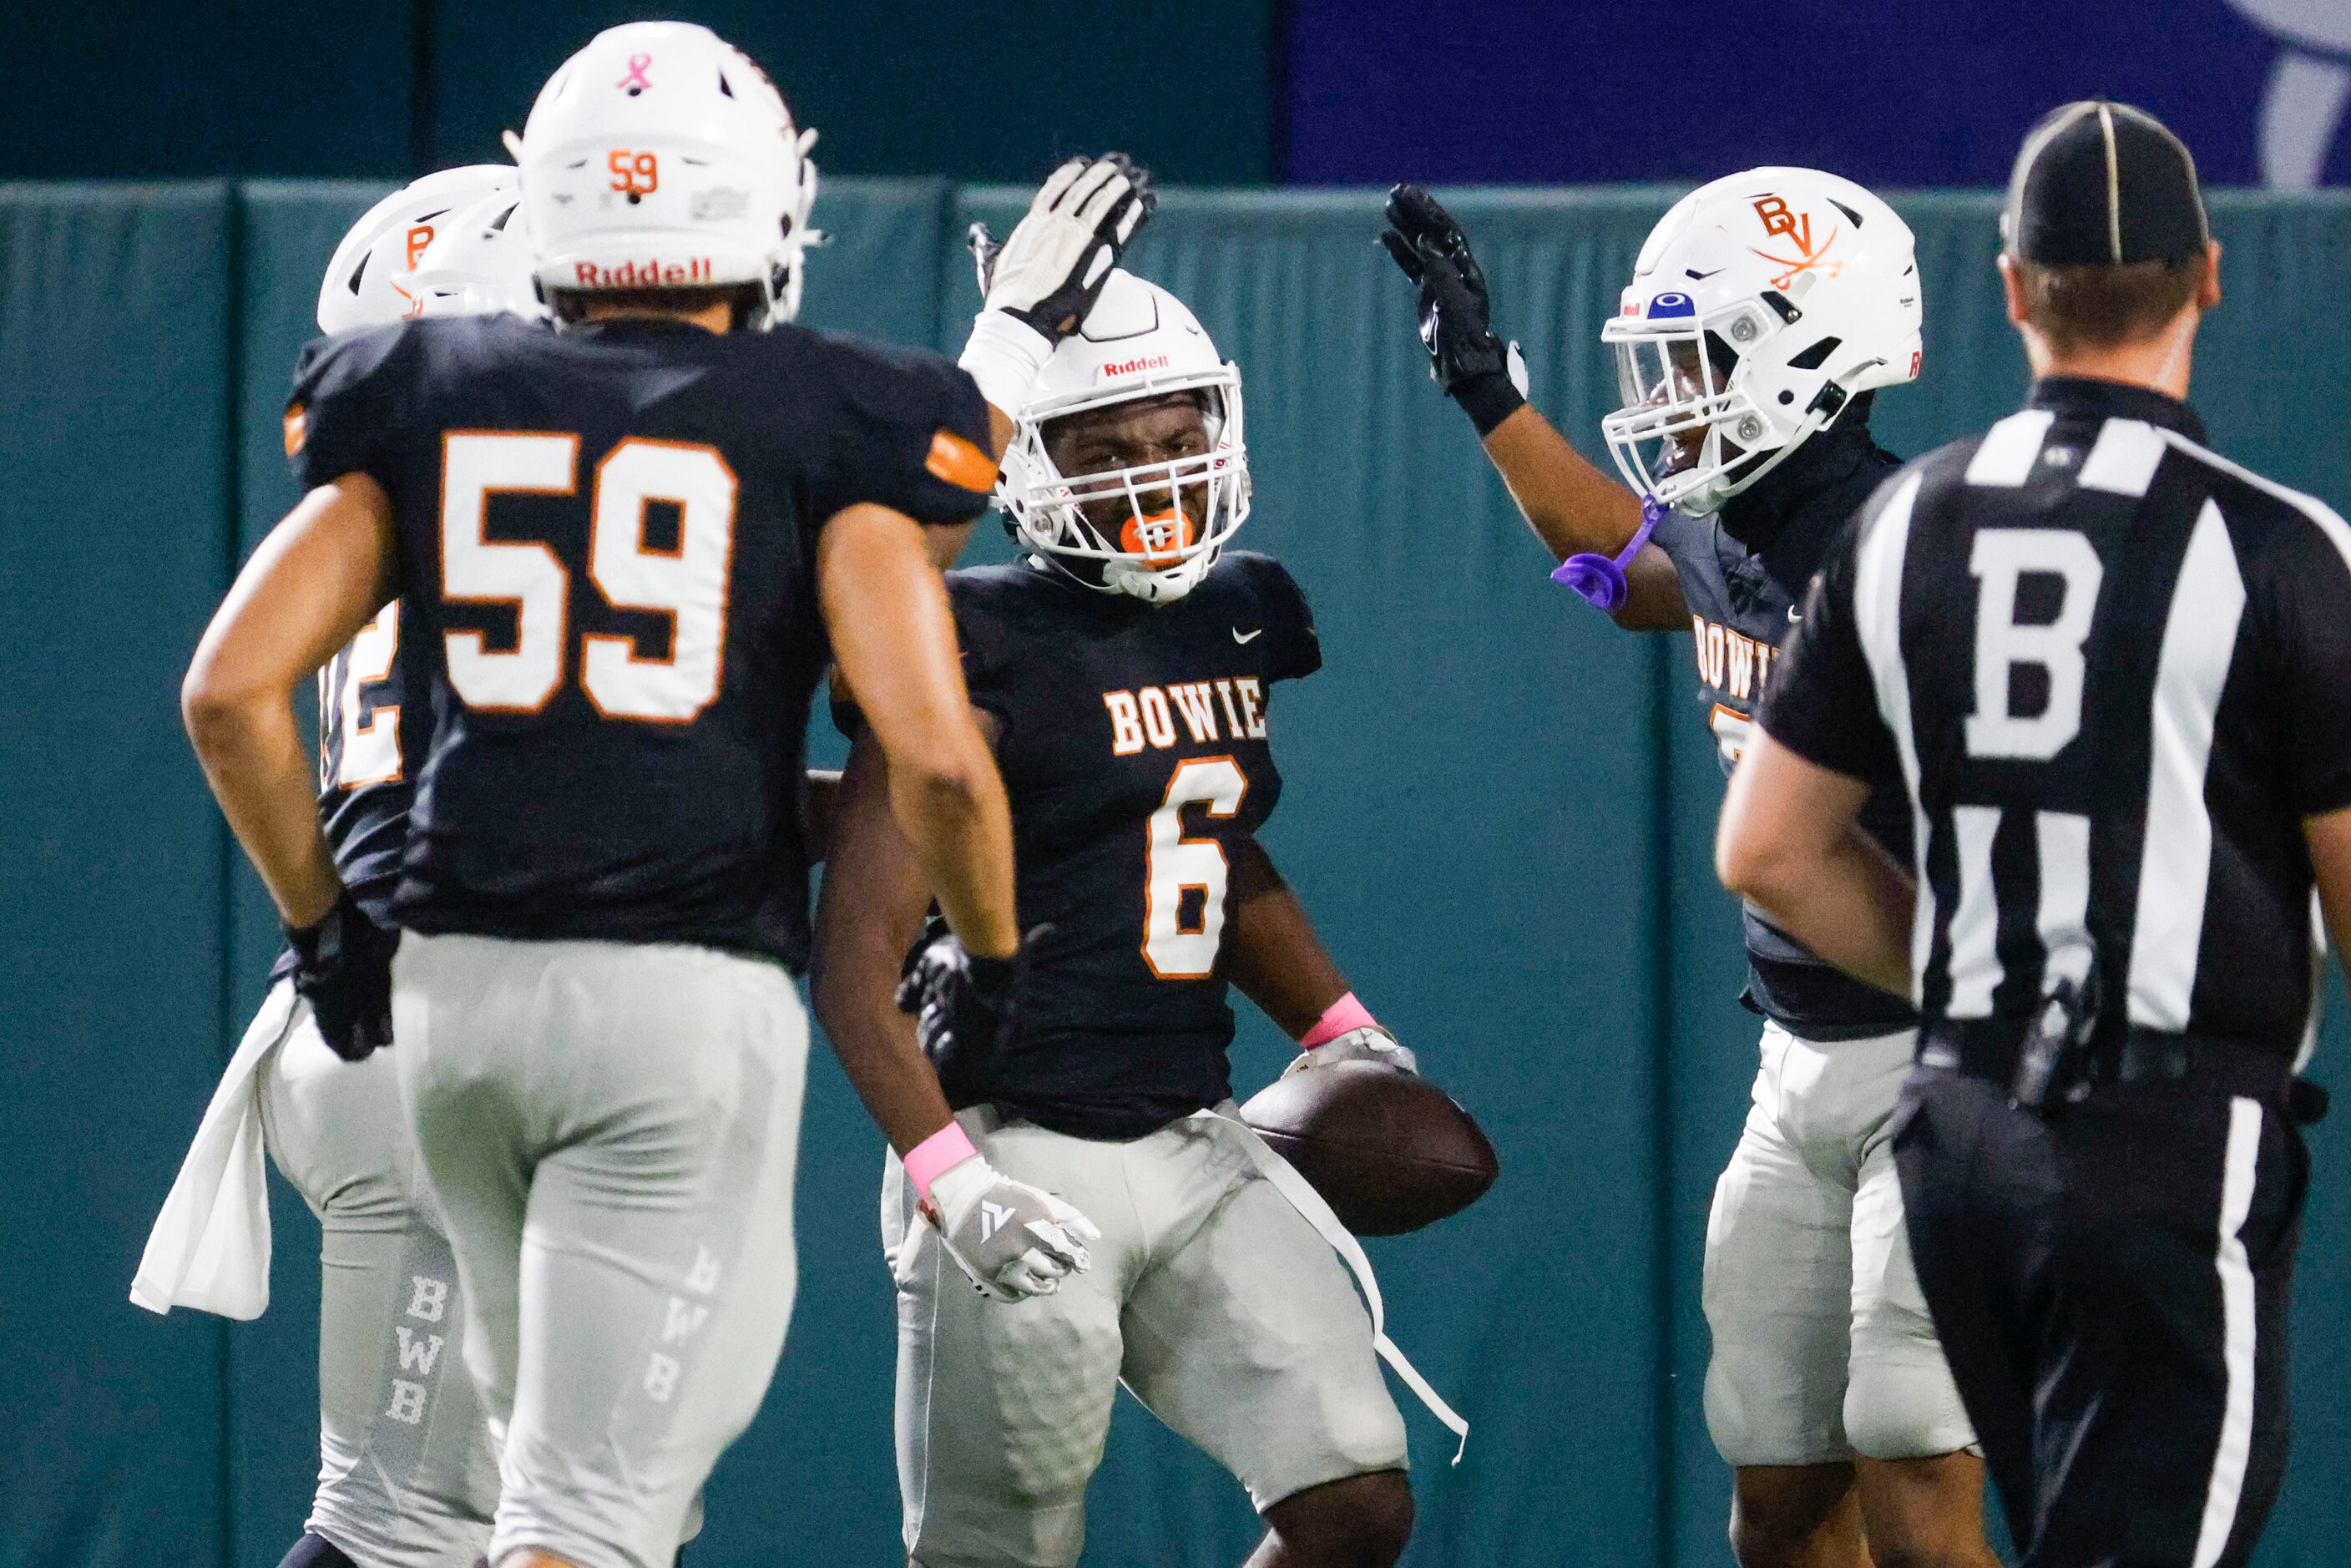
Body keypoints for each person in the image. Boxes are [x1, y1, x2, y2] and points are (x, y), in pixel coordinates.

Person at [178, 21, 1154, 1568]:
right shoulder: (782, 414)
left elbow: (234, 693)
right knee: (556, 1518)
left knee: (450, 1512)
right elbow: (890, 618)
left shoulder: (419, 410)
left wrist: (319, 934)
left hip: (421, 997)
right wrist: (997, 953)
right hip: (657, 1006)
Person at [1719, 99, 2350, 1568]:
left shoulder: (1904, 523)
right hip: (2166, 1135)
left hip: (1962, 1135)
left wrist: (1972, 984)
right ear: (2206, 273)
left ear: (2011, 288)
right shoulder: (2277, 545)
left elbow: (1768, 851)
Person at [1383, 177, 1992, 1565]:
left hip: (1947, 1061)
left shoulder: (1919, 551)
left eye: (1704, 361)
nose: (1675, 398)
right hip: (1798, 1068)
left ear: (1811, 347)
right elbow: (1628, 563)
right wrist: (1488, 395)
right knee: (1776, 1496)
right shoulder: (1751, 519)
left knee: (1913, 1462)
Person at [813, 266, 1441, 1568]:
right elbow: (855, 958)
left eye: (1175, 437)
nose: (1151, 475)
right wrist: (950, 1181)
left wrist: (1336, 1021)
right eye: (1104, 449)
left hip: (1194, 1130)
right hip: (1012, 1141)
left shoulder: (1240, 608)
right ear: (1029, 464)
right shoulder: (961, 634)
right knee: (1005, 1556)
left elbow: (1212, 838)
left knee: (1354, 1497)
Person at [135, 164, 533, 1568]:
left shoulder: (377, 511)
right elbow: (224, 696)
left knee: (512, 1517)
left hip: (383, 1027)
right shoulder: (527, 513)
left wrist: (323, 932)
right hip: (442, 1040)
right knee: (404, 1527)